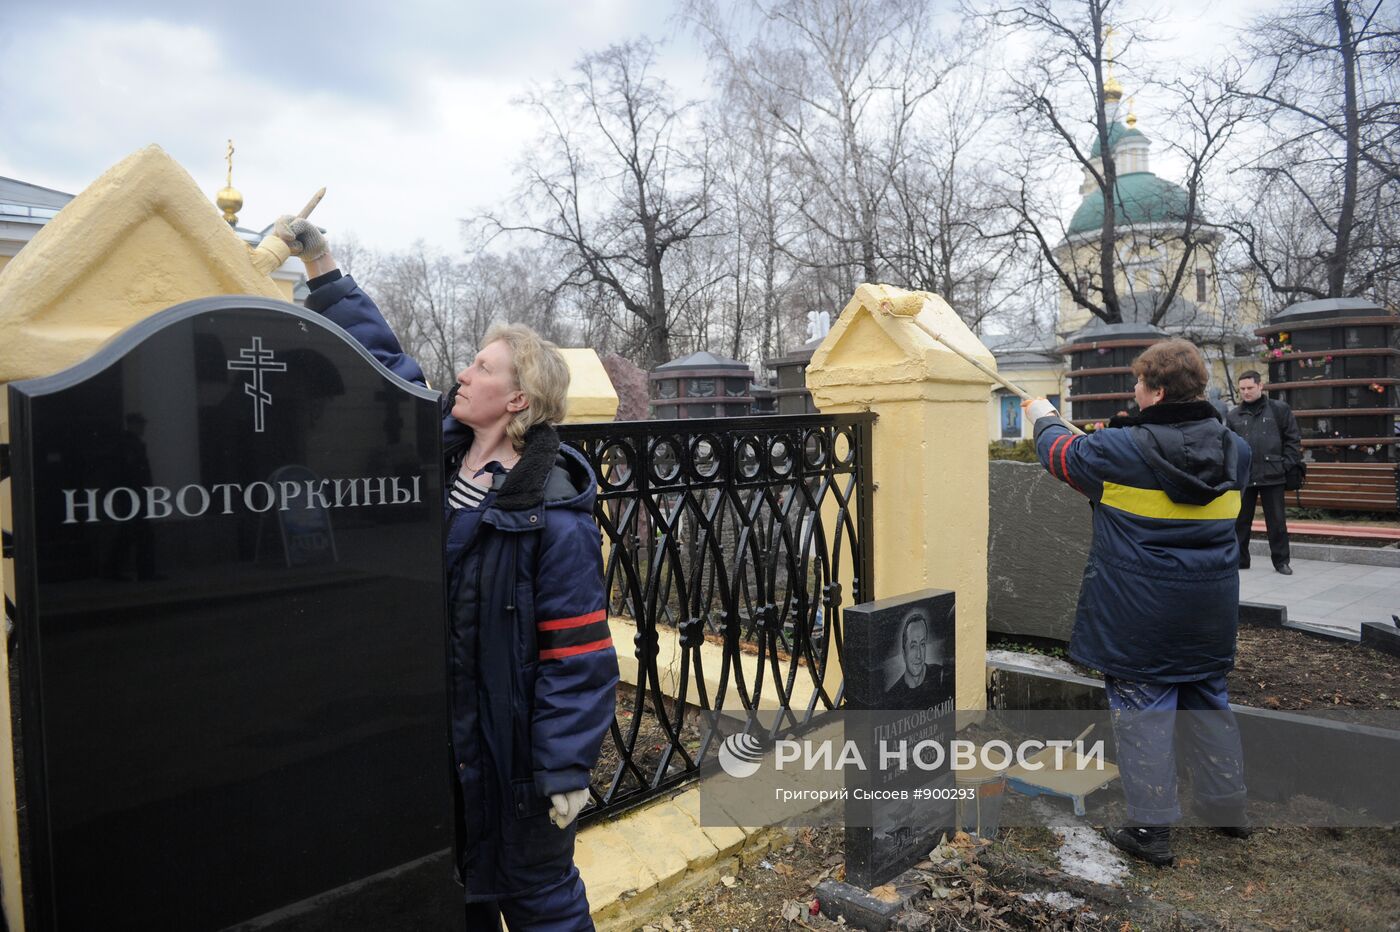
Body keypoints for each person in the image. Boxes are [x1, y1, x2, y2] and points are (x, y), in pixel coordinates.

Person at [277, 216, 618, 930]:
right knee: (458, 899)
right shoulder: (435, 449)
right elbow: (387, 365)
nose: (463, 373)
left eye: (482, 368)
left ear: (518, 399)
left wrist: (561, 770)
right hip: (441, 750)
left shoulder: (553, 515)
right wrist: (325, 268)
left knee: (538, 902)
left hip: (513, 762)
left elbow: (578, 658)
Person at [1021, 339, 1253, 866]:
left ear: (1158, 390)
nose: (1133, 389)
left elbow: (1061, 455)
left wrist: (1043, 416)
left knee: (1144, 713)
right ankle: (1227, 810)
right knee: (1208, 704)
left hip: (1140, 614)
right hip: (1209, 611)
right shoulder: (1236, 450)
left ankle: (1151, 832)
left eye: (1139, 383)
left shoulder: (1118, 452)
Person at [1226, 371, 1303, 575]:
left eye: (1250, 388)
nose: (1245, 392)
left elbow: (1293, 440)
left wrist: (1284, 465)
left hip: (1273, 475)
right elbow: (1228, 446)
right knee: (1240, 522)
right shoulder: (1233, 415)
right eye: (1242, 389)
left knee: (1277, 522)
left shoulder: (1279, 409)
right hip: (1244, 477)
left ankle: (1281, 562)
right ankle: (1240, 560)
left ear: (1261, 386)